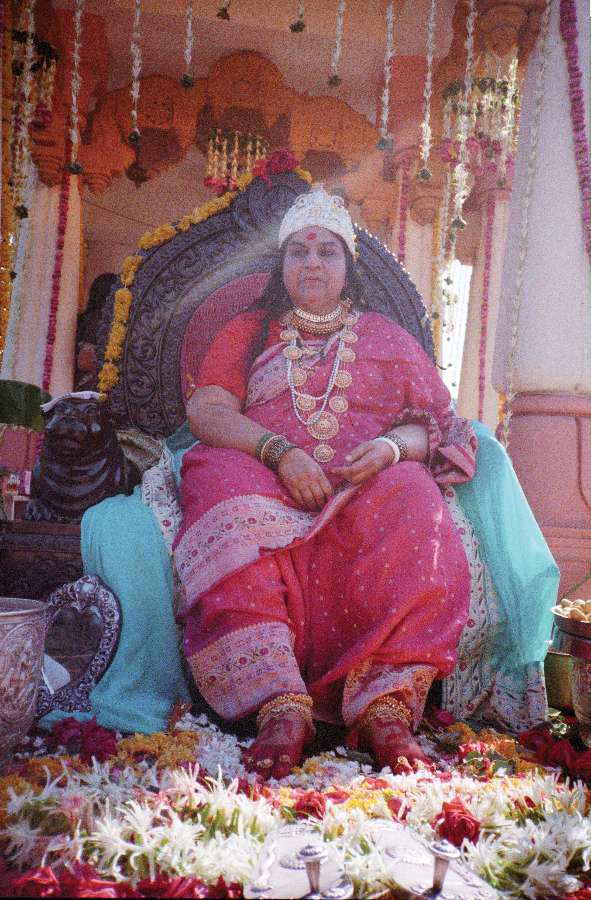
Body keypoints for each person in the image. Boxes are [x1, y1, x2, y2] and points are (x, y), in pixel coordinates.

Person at [173, 187, 478, 779]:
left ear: (349, 268)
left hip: (359, 484)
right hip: (263, 472)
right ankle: (279, 705)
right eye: (299, 251)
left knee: (415, 494)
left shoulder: (387, 337)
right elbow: (208, 411)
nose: (312, 263)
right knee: (219, 480)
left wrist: (392, 449)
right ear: (281, 265)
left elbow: (443, 428)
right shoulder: (249, 328)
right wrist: (278, 451)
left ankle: (385, 709)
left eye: (328, 252)